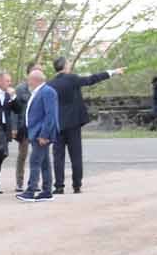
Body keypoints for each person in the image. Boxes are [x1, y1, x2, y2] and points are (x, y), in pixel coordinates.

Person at [48, 56, 122, 194]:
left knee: (58, 156)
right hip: (73, 123)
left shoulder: (50, 84)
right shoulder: (72, 78)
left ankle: (59, 186)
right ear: (65, 66)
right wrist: (112, 72)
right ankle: (77, 185)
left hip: (57, 124)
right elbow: (91, 79)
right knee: (76, 155)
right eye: (68, 63)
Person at [16, 66, 57, 201]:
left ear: (35, 80)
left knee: (35, 161)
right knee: (44, 163)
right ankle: (47, 191)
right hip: (35, 132)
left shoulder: (47, 91)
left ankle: (31, 190)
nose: (28, 82)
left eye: (29, 80)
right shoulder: (38, 91)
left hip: (41, 134)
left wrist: (44, 134)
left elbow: (50, 115)